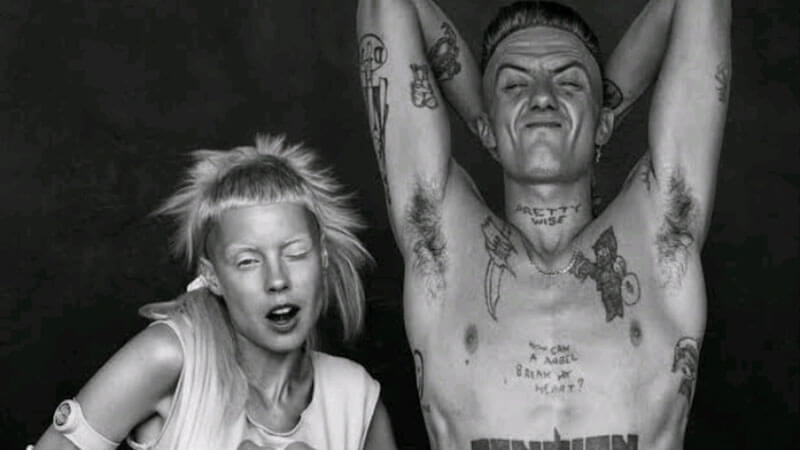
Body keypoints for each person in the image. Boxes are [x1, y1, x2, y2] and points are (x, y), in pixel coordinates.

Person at [357, 0, 729, 448]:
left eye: (568, 82)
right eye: (515, 85)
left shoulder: (661, 233)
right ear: (488, 127)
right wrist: (494, 121)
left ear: (603, 123)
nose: (541, 97)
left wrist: (572, 116)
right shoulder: (442, 244)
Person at [30, 135, 397, 450]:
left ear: (323, 257)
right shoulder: (169, 357)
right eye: (248, 261)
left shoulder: (356, 396)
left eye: (295, 253)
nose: (277, 279)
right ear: (213, 276)